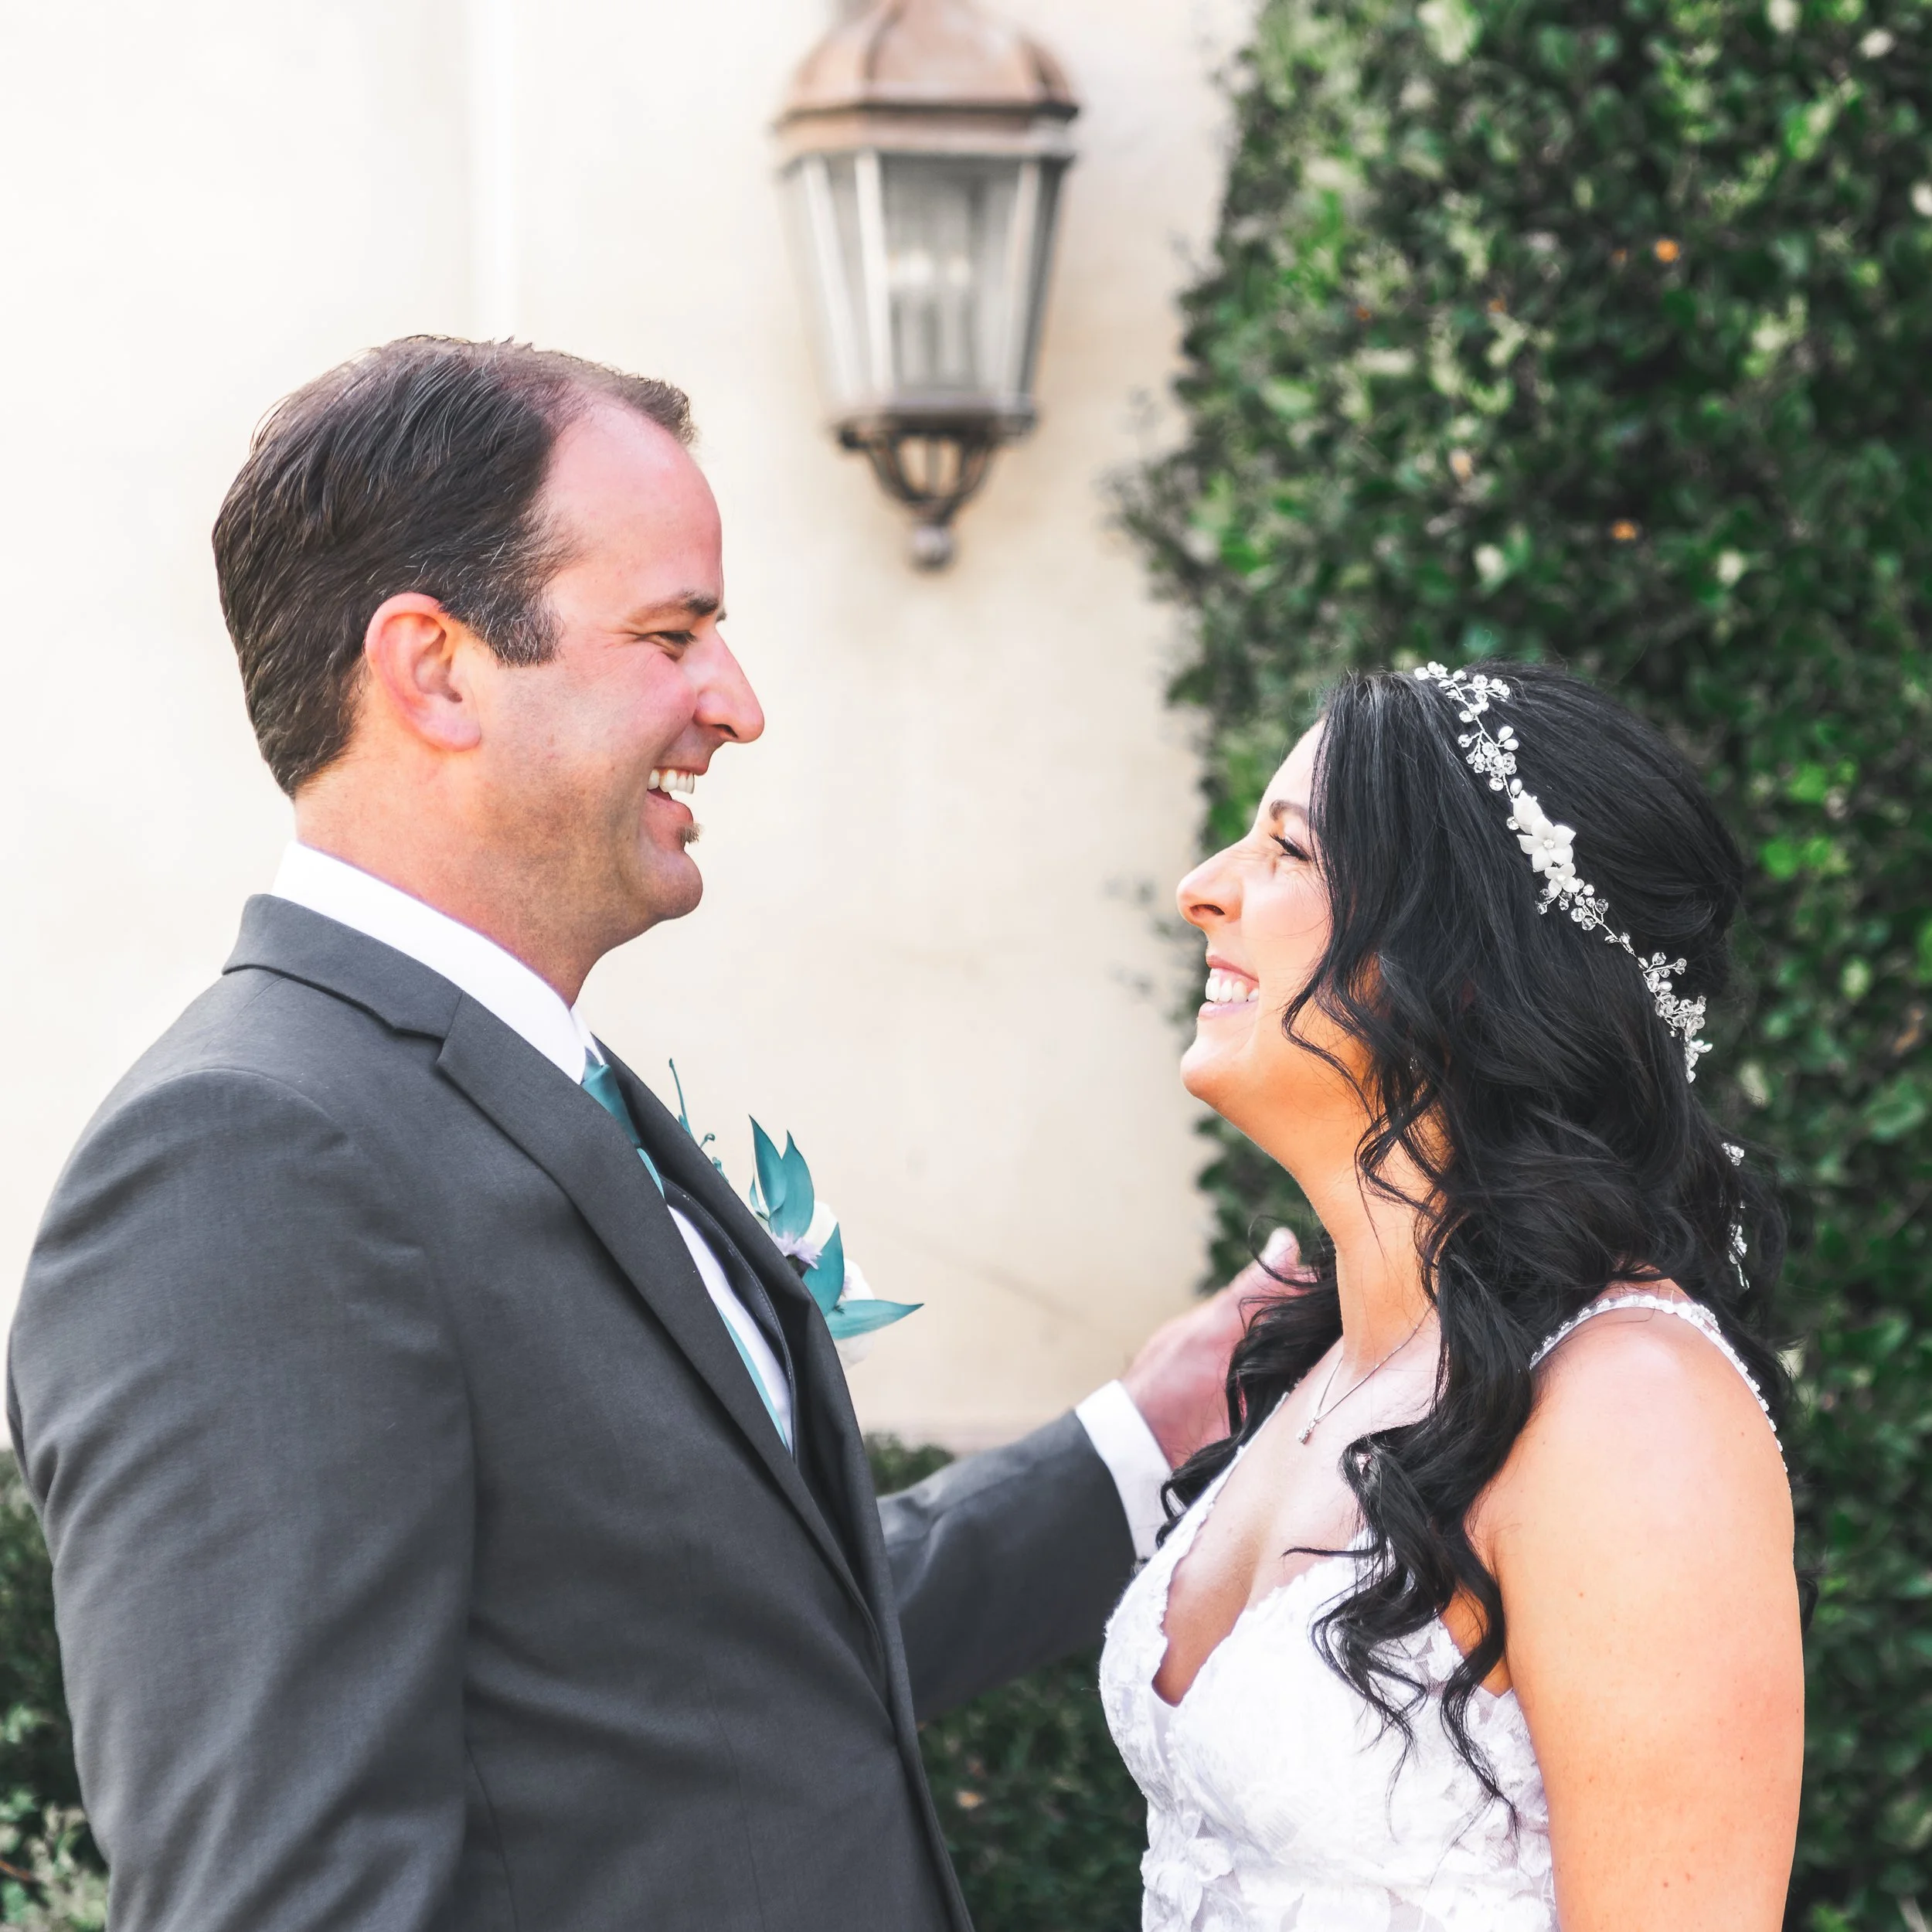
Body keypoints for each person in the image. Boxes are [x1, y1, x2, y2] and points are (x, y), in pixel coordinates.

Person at [9, 337, 1255, 1932]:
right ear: (434, 669)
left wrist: (1144, 1432)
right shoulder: (246, 1162)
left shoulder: (526, 1084)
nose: (733, 704)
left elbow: (725, 1651)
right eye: (673, 634)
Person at [1099, 662, 1804, 1930]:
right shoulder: (1326, 1366)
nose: (1203, 888)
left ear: (1466, 962)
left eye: (1289, 850)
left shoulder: (1630, 1412)